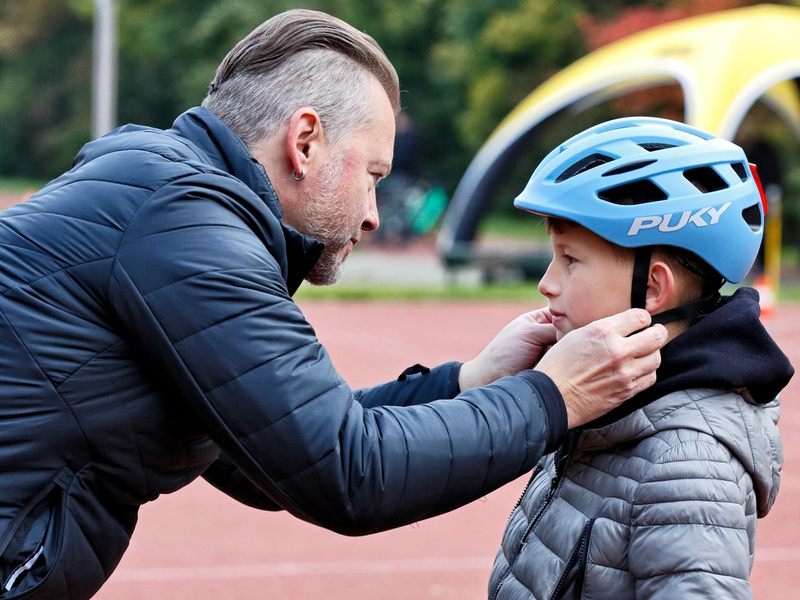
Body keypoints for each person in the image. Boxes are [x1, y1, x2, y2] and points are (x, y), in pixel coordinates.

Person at [0, 11, 666, 600]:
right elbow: (348, 472)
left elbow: (271, 461)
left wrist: (471, 381)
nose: (375, 214)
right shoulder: (183, 223)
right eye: (373, 175)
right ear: (306, 141)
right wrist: (555, 397)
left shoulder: (165, 199)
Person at [488, 117, 794, 600]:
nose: (547, 283)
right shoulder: (607, 400)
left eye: (570, 259)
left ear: (652, 288)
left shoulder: (689, 467)